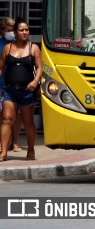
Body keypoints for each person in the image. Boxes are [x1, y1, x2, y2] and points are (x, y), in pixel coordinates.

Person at [0, 18, 41, 161]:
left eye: (27, 30)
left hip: (27, 91)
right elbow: (1, 68)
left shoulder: (33, 48)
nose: (25, 32)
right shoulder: (7, 48)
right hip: (9, 90)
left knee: (28, 121)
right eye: (21, 30)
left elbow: (40, 68)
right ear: (15, 32)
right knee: (6, 119)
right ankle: (3, 152)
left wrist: (35, 81)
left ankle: (30, 151)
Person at [0, 17, 22, 154]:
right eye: (8, 30)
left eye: (12, 30)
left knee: (17, 115)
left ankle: (15, 143)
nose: (11, 33)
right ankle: (3, 143)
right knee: (3, 115)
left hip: (17, 85)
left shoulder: (20, 44)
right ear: (1, 31)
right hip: (2, 85)